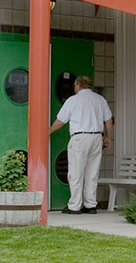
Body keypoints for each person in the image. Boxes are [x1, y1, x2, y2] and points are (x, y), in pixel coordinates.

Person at [48, 75, 113, 213]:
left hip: (80, 138)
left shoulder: (73, 100)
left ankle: (74, 205)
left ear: (77, 86)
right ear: (88, 85)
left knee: (76, 172)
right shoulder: (100, 100)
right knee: (92, 172)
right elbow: (108, 120)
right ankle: (90, 205)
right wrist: (108, 137)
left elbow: (60, 121)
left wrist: (48, 131)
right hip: (96, 138)